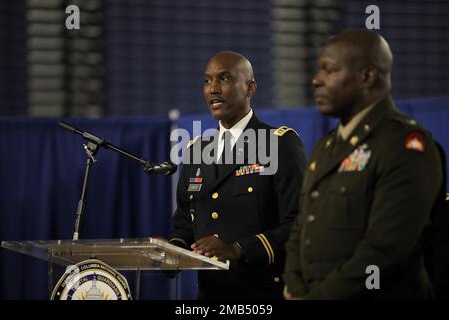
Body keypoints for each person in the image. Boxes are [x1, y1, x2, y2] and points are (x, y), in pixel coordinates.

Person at [283, 30, 444, 299]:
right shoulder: (327, 146)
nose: (316, 80)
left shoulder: (406, 145)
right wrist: (295, 287)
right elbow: (301, 229)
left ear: (367, 76)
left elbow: (385, 250)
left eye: (329, 70)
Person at [169, 51, 307, 299]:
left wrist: (240, 249)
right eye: (207, 80)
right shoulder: (197, 151)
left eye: (224, 78)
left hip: (263, 294)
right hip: (211, 295)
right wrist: (172, 250)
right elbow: (184, 222)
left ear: (250, 88)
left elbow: (299, 224)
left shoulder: (278, 144)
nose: (213, 89)